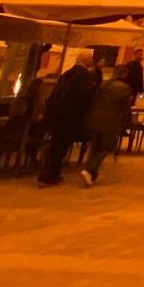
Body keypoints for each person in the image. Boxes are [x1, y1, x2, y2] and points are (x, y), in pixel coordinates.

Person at [37, 50, 100, 187]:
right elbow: (85, 97)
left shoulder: (67, 74)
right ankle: (48, 175)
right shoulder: (85, 76)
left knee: (55, 146)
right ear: (87, 61)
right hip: (70, 117)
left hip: (58, 115)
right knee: (60, 147)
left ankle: (50, 173)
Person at [82, 66, 136, 185]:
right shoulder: (125, 89)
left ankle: (90, 173)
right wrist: (128, 121)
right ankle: (90, 170)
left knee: (95, 146)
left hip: (96, 119)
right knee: (106, 147)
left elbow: (94, 101)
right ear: (125, 74)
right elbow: (125, 108)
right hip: (111, 121)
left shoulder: (102, 85)